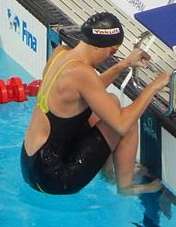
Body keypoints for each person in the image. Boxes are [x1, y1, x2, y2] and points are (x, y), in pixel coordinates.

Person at [21, 12, 170, 195]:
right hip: (54, 178)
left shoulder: (61, 54)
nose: (109, 57)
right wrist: (153, 87)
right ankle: (126, 188)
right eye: (112, 52)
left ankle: (107, 174)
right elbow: (121, 125)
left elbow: (91, 91)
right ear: (103, 47)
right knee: (127, 122)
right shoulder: (82, 73)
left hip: (29, 165)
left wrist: (123, 64)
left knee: (112, 101)